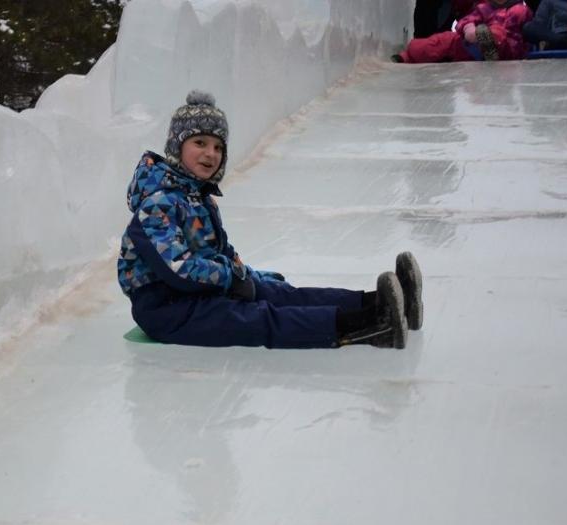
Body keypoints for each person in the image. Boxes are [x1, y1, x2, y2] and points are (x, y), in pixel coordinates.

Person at [116, 91, 423, 350]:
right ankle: (368, 326)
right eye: (200, 143)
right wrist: (232, 279)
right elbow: (178, 270)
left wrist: (248, 276)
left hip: (198, 291)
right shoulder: (156, 204)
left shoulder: (197, 197)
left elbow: (219, 251)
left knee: (280, 294)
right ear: (176, 147)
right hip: (167, 309)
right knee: (259, 317)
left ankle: (380, 302)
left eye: (218, 146)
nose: (211, 154)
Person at [393, 0, 534, 63]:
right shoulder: (483, 8)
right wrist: (469, 29)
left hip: (505, 50)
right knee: (446, 40)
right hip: (473, 47)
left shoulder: (519, 10)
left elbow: (517, 35)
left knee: (498, 32)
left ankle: (490, 45)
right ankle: (408, 56)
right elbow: (466, 19)